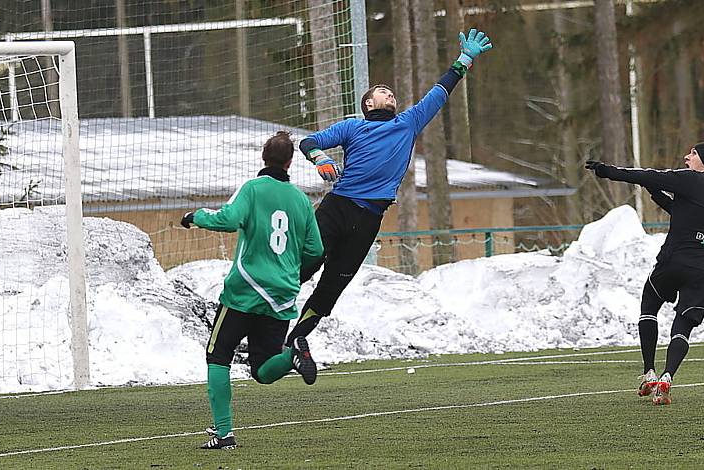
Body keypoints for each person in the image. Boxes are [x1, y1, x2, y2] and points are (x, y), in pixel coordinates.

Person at [284, 28, 494, 347]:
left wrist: (464, 59)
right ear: (368, 103)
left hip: (369, 219)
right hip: (337, 207)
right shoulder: (353, 126)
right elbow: (309, 141)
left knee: (332, 286)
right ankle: (258, 325)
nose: (390, 95)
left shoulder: (407, 124)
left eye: (392, 93)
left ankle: (296, 339)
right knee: (301, 268)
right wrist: (320, 158)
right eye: (383, 92)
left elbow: (439, 93)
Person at [180, 131, 324, 449]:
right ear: (289, 162)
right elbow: (316, 249)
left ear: (263, 158)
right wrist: (289, 270)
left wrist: (196, 217)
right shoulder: (301, 200)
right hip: (281, 295)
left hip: (245, 289)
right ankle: (292, 356)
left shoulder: (252, 189)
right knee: (263, 368)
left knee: (218, 357)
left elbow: (229, 220)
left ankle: (224, 434)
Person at [585, 142, 704, 405]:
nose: (687, 156)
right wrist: (652, 190)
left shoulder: (690, 179)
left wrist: (609, 171)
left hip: (675, 261)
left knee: (649, 304)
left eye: (694, 153)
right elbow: (680, 211)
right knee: (684, 324)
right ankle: (668, 377)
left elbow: (649, 174)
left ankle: (649, 372)